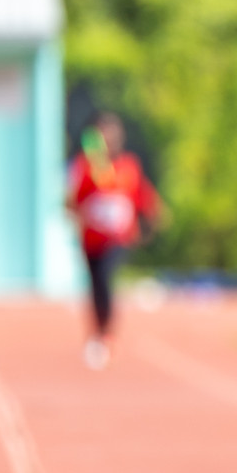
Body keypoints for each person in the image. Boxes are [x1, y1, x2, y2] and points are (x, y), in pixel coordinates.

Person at [66, 111, 163, 370]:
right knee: (96, 286)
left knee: (107, 280)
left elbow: (142, 195)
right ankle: (97, 332)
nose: (108, 138)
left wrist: (153, 217)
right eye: (102, 133)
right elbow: (73, 203)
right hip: (91, 240)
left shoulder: (129, 167)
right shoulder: (86, 168)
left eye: (112, 133)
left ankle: (107, 335)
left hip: (118, 239)